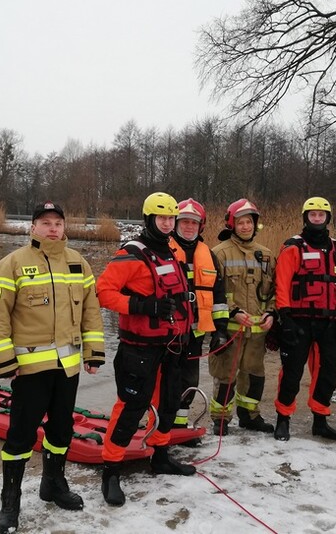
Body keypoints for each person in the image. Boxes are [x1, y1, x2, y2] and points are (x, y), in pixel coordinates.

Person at [0, 201, 105, 534]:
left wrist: (94, 352)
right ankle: (10, 504)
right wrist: (5, 361)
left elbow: (91, 311)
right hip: (29, 370)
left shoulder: (78, 263)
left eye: (57, 223)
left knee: (61, 430)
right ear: (33, 227)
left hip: (68, 368)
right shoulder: (11, 265)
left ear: (64, 227)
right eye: (45, 222)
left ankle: (53, 485)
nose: (53, 228)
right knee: (20, 437)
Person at [96, 192, 196, 507]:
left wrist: (189, 330)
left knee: (169, 402)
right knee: (131, 407)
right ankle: (111, 470)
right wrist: (143, 305)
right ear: (149, 219)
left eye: (171, 219)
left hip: (172, 343)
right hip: (139, 347)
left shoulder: (173, 251)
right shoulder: (131, 253)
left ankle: (160, 455)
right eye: (162, 218)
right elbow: (103, 292)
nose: (167, 224)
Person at [273, 196, 336, 442]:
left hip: (328, 322)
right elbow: (282, 283)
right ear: (305, 217)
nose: (317, 218)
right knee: (291, 373)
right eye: (312, 214)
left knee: (327, 373)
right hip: (298, 321)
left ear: (327, 218)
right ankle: (283, 419)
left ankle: (320, 420)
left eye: (321, 214)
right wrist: (284, 317)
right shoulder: (293, 247)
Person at [208, 199, 276, 435]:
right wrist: (233, 311)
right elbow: (211, 292)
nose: (245, 227)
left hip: (257, 331)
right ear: (232, 224)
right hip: (230, 329)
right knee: (225, 375)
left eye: (249, 222)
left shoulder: (266, 255)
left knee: (254, 375)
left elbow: (275, 291)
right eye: (241, 222)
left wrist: (271, 313)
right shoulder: (218, 253)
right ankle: (220, 419)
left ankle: (249, 416)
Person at [168, 198, 229, 440]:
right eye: (184, 222)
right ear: (175, 223)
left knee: (189, 378)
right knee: (167, 379)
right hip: (169, 332)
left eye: (194, 223)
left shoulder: (209, 256)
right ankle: (163, 425)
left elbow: (219, 296)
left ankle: (180, 426)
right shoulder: (164, 251)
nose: (189, 227)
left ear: (201, 226)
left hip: (195, 332)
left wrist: (220, 331)